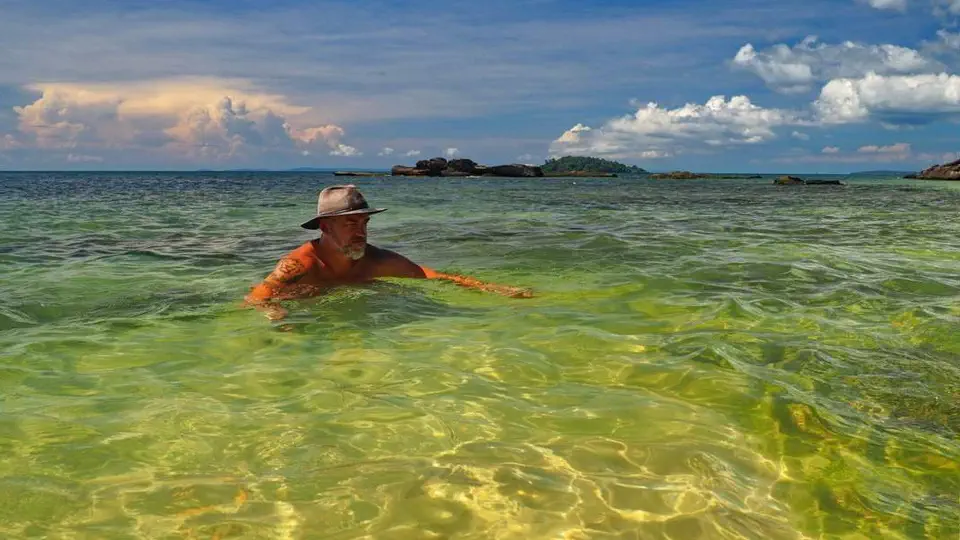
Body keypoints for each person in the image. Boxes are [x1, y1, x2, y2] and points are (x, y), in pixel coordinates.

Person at [244, 184, 532, 320]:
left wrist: (491, 288)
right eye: (350, 222)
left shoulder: (376, 260)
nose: (361, 231)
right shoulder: (299, 264)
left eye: (365, 222)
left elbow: (432, 275)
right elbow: (257, 296)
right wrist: (276, 314)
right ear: (325, 227)